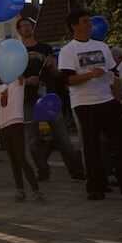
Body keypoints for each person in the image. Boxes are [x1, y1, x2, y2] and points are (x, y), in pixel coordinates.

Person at [58, 9, 122, 201]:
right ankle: (96, 186)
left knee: (120, 143)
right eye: (85, 21)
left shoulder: (102, 46)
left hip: (107, 100)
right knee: (91, 146)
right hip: (84, 103)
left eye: (89, 21)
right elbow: (68, 80)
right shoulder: (68, 51)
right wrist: (89, 74)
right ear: (75, 26)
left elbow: (114, 74)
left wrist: (117, 96)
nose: (89, 24)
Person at [18, 17, 85, 181]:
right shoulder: (17, 52)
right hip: (28, 98)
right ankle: (42, 170)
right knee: (33, 139)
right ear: (19, 31)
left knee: (63, 135)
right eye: (24, 26)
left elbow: (57, 74)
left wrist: (52, 66)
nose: (27, 28)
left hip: (48, 97)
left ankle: (75, 171)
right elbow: (12, 79)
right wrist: (26, 81)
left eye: (29, 25)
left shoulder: (45, 48)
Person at [0, 78, 44, 202]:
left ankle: (36, 190)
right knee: (13, 159)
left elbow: (21, 75)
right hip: (3, 125)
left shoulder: (18, 82)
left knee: (21, 157)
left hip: (16, 123)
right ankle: (20, 189)